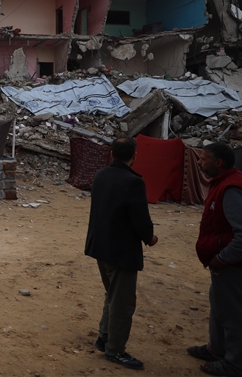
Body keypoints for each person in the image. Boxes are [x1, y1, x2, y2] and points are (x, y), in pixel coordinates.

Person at [189, 142, 242, 377]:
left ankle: (235, 364)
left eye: (203, 159)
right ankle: (217, 349)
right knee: (220, 304)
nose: (199, 162)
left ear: (218, 163)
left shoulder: (232, 189)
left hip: (236, 263)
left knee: (234, 313)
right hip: (231, 260)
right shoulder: (228, 182)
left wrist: (222, 259)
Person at [85, 137, 158, 371]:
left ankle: (104, 337)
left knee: (112, 294)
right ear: (134, 155)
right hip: (121, 249)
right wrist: (150, 238)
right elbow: (141, 220)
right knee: (122, 303)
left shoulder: (101, 175)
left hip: (100, 245)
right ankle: (115, 350)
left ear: (112, 153)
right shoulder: (132, 182)